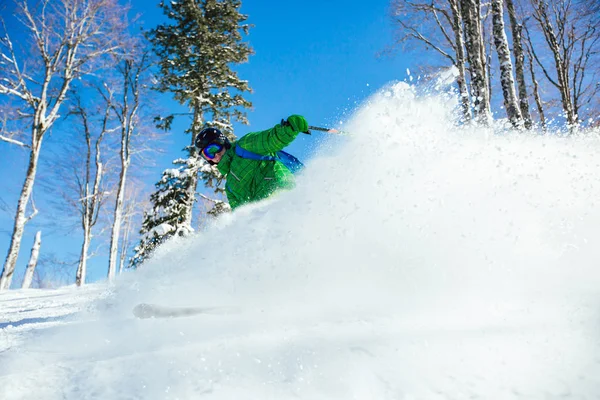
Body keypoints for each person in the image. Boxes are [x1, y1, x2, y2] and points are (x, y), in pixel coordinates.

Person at [194, 115, 310, 210]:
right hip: (266, 216)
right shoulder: (229, 187)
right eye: (208, 154)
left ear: (222, 142)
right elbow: (240, 215)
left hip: (284, 194)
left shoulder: (245, 146)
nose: (215, 155)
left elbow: (271, 139)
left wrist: (288, 129)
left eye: (214, 148)